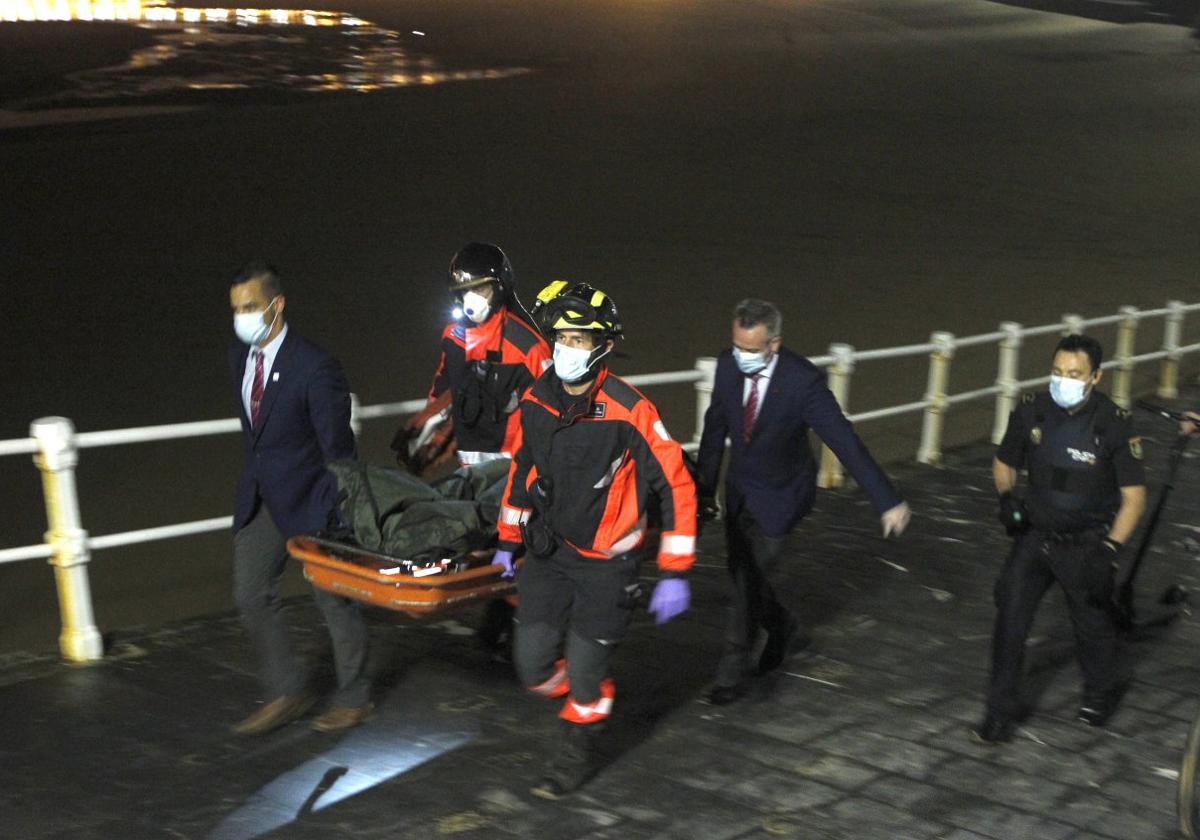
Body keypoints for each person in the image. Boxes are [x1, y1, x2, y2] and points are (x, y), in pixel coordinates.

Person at [492, 282, 696, 799]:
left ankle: (576, 744)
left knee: (584, 677)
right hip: (549, 553)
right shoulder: (537, 399)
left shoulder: (630, 410)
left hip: (606, 564)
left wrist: (674, 570)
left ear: (603, 346)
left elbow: (675, 483)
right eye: (561, 337)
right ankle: (583, 690)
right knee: (531, 666)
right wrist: (507, 539)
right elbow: (523, 467)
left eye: (579, 340)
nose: (566, 348)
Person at [696, 298, 911, 705]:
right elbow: (713, 431)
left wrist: (887, 499)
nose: (740, 356)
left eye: (750, 349)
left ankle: (731, 672)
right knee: (740, 572)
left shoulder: (802, 382)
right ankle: (786, 629)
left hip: (781, 497)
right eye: (736, 346)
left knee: (746, 583)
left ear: (774, 344)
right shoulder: (727, 366)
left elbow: (843, 440)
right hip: (739, 491)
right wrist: (703, 492)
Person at [975, 333, 1146, 744]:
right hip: (1037, 536)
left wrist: (1110, 549)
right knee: (1010, 619)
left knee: (1092, 625)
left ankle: (1100, 693)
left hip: (1087, 541)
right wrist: (1005, 498)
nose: (1062, 380)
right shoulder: (1032, 411)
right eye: (1056, 372)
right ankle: (999, 711)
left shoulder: (1113, 425)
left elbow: (1135, 499)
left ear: (1096, 377)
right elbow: (1004, 462)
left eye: (1074, 374)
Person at [228, 261, 373, 735]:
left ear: (277, 304)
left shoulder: (315, 366)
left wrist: (336, 508)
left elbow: (338, 449)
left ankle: (354, 697)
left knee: (334, 602)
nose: (242, 317)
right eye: (236, 309)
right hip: (261, 497)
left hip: (312, 500)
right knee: (251, 594)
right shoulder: (239, 359)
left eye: (250, 307)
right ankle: (289, 689)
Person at [397, 242, 551, 472]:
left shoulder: (529, 348)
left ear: (500, 287)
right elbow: (443, 386)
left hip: (513, 475)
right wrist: (430, 426)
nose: (470, 300)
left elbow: (547, 418)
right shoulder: (453, 336)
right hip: (468, 472)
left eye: (479, 289)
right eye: (464, 291)